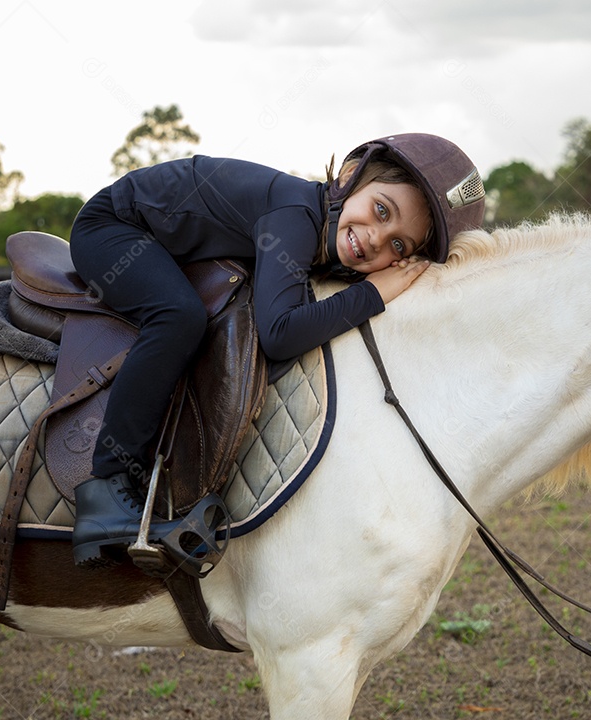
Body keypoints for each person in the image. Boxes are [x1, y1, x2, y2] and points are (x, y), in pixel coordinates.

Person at [68, 133, 485, 567]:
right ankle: (107, 490)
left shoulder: (320, 232)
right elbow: (279, 333)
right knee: (179, 316)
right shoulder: (294, 215)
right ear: (350, 177)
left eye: (399, 244)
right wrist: (374, 293)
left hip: (155, 239)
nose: (378, 238)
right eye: (382, 210)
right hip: (113, 229)